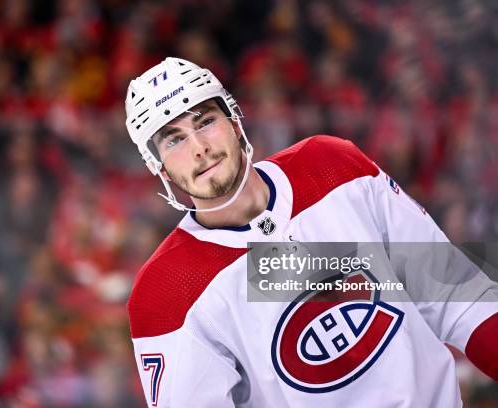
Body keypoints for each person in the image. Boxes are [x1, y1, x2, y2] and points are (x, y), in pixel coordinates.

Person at [124, 58, 498, 407]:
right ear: (159, 166)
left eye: (205, 121)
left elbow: (456, 295)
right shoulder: (164, 292)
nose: (199, 148)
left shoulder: (332, 167)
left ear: (235, 121)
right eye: (173, 140)